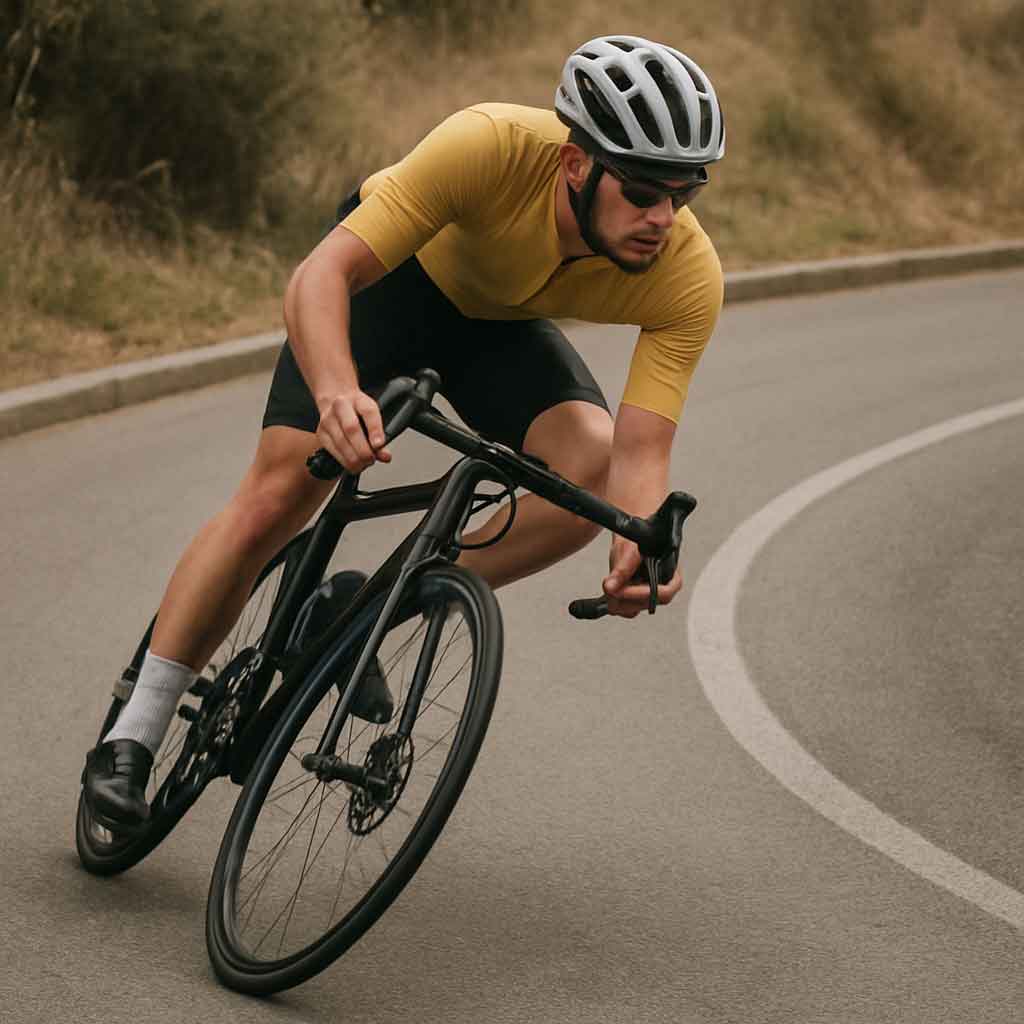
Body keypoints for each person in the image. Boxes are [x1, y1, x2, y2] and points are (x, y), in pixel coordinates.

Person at [83, 34, 726, 830]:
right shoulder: (488, 145)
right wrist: (335, 390)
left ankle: (374, 607)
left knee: (586, 467)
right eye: (641, 192)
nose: (662, 219)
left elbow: (641, 452)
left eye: (684, 195)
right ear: (575, 165)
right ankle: (132, 736)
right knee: (285, 486)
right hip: (391, 279)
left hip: (496, 327)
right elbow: (322, 275)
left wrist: (638, 538)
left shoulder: (688, 276)